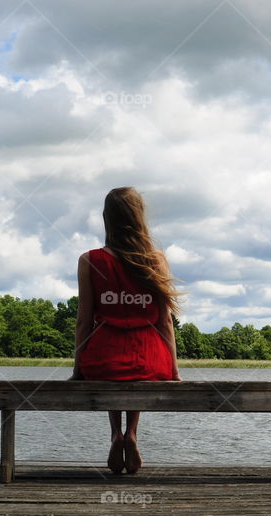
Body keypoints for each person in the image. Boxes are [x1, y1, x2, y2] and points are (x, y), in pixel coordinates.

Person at [69, 186, 183, 475]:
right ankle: (132, 432)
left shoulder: (89, 260)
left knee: (112, 368)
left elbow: (84, 321)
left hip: (104, 355)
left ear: (107, 218)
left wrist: (77, 369)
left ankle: (115, 434)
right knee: (136, 370)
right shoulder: (156, 260)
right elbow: (165, 322)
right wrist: (174, 370)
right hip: (149, 357)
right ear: (138, 217)